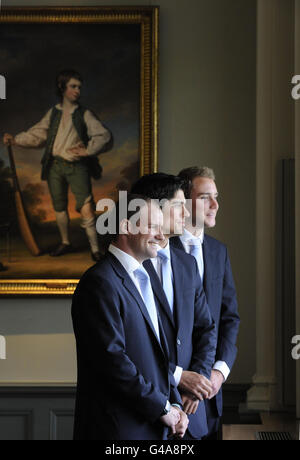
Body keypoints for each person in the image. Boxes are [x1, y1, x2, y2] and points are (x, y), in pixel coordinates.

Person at [71, 194, 189, 440]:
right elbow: (112, 360)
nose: (161, 235)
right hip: (118, 430)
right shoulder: (100, 282)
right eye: (153, 227)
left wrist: (175, 404)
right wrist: (162, 407)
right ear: (126, 227)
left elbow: (159, 355)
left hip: (153, 427)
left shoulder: (143, 278)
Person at [131, 174, 217, 440]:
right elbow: (129, 348)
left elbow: (207, 328)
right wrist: (178, 377)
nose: (187, 211)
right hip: (147, 414)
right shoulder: (130, 267)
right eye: (179, 205)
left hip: (193, 414)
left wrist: (197, 384)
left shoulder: (187, 264)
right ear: (154, 209)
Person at [3, 69, 112, 261]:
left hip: (76, 166)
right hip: (54, 166)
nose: (77, 90)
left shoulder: (84, 114)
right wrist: (16, 139)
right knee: (59, 206)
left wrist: (87, 150)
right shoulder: (53, 113)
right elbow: (38, 134)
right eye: (73, 86)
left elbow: (103, 135)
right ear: (62, 88)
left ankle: (95, 249)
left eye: (79, 87)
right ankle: (65, 243)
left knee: (86, 206)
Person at [170, 166, 240, 440]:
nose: (215, 205)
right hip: (172, 395)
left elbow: (229, 317)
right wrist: (186, 381)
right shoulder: (160, 249)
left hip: (211, 396)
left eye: (216, 196)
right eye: (205, 197)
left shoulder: (218, 251)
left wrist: (217, 374)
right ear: (184, 203)